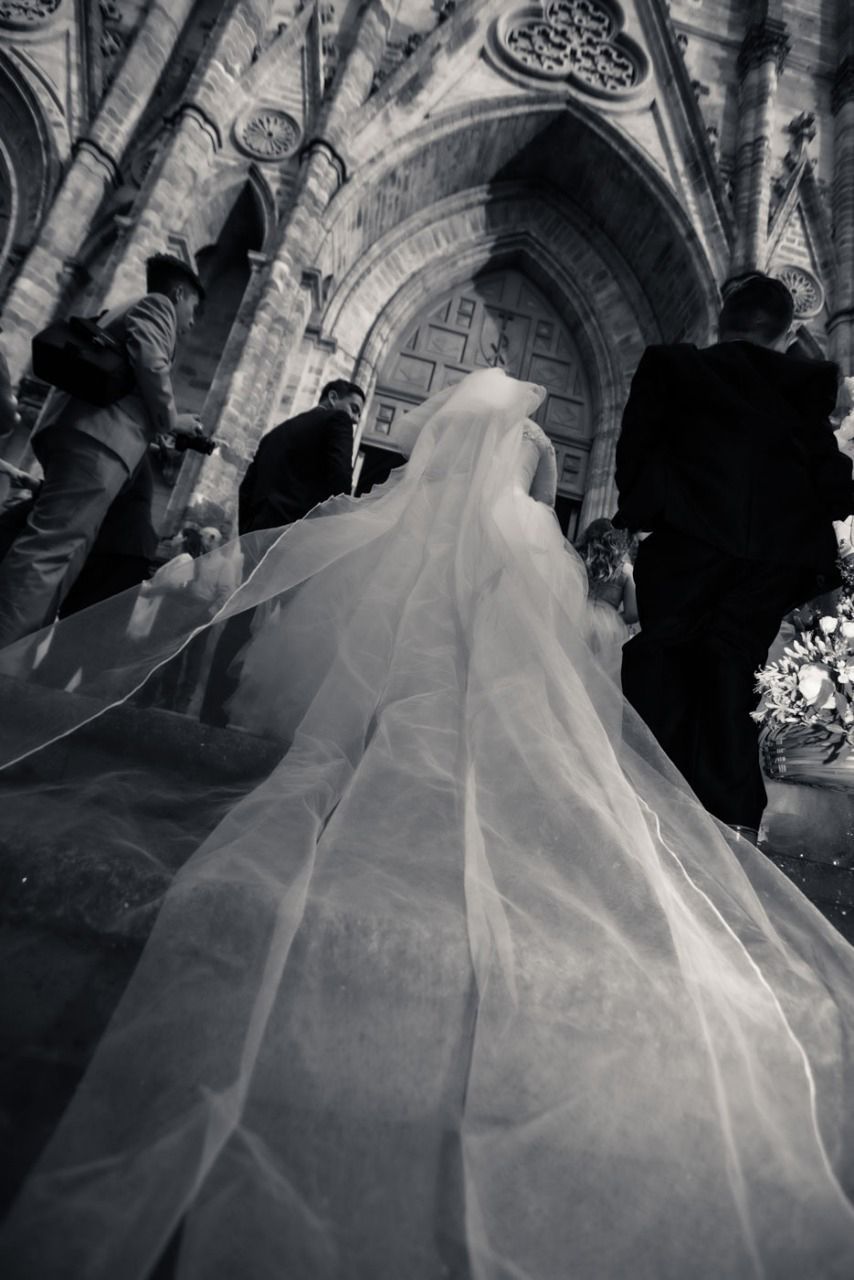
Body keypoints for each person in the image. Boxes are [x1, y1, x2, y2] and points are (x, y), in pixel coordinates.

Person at [2, 369, 854, 1279]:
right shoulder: (535, 463)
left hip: (423, 573)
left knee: (399, 659)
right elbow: (539, 519)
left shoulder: (426, 486)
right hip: (535, 571)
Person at [615, 272, 854, 845]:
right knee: (730, 676)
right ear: (787, 332)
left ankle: (638, 804)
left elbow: (635, 463)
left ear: (722, 320)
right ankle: (731, 827)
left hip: (687, 553)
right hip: (763, 567)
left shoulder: (672, 368)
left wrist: (665, 511)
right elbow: (834, 484)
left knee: (666, 665)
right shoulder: (805, 388)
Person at [0, 253, 206, 648]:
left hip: (89, 436)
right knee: (50, 549)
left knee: (65, 554)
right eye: (193, 309)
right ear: (179, 294)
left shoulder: (123, 306)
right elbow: (149, 357)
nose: (193, 322)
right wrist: (171, 418)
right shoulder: (158, 305)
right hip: (99, 443)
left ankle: (18, 652)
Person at [198, 379, 365, 727]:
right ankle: (285, 717)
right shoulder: (336, 422)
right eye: (354, 408)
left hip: (262, 533)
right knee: (302, 624)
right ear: (332, 398)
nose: (355, 418)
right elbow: (338, 482)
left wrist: (251, 536)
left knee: (242, 622)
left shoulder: (277, 432)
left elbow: (247, 487)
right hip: (300, 539)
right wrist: (336, 535)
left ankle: (212, 710)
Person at [575, 517, 637, 682]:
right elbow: (632, 613)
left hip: (576, 619)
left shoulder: (578, 560)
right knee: (597, 682)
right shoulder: (625, 571)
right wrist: (611, 621)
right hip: (606, 632)